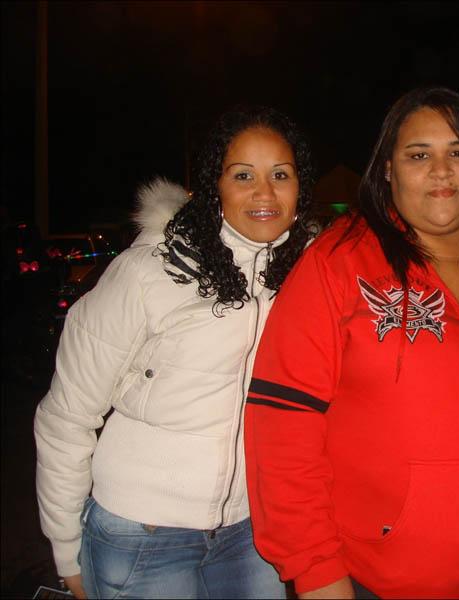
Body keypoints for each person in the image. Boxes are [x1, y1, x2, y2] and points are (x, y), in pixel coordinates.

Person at [244, 86, 459, 599]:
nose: (441, 171)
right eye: (418, 155)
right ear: (388, 169)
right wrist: (315, 570)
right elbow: (282, 424)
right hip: (377, 580)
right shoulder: (337, 264)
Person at [34, 105, 316, 599]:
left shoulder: (306, 279)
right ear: (214, 187)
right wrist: (65, 547)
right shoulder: (149, 271)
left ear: (300, 189)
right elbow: (67, 415)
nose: (264, 192)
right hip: (141, 535)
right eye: (243, 175)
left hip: (251, 533)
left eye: (280, 175)